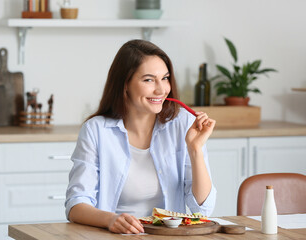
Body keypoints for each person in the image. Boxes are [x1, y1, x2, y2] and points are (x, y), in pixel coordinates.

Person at [65, 39, 216, 234]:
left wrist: (195, 150)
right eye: (148, 80)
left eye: (165, 78)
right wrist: (111, 220)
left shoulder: (184, 124)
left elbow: (202, 209)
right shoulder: (96, 130)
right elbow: (76, 204)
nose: (161, 89)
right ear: (124, 84)